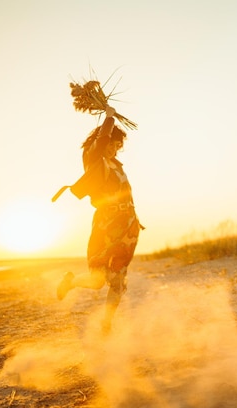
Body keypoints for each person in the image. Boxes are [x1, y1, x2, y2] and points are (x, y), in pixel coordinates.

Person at [56, 105, 142, 334]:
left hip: (127, 225)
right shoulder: (94, 160)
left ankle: (107, 324)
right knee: (97, 281)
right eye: (111, 144)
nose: (113, 149)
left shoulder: (118, 166)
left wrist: (134, 221)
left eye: (117, 146)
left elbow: (127, 194)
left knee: (119, 280)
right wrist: (109, 118)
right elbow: (101, 140)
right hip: (106, 224)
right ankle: (71, 281)